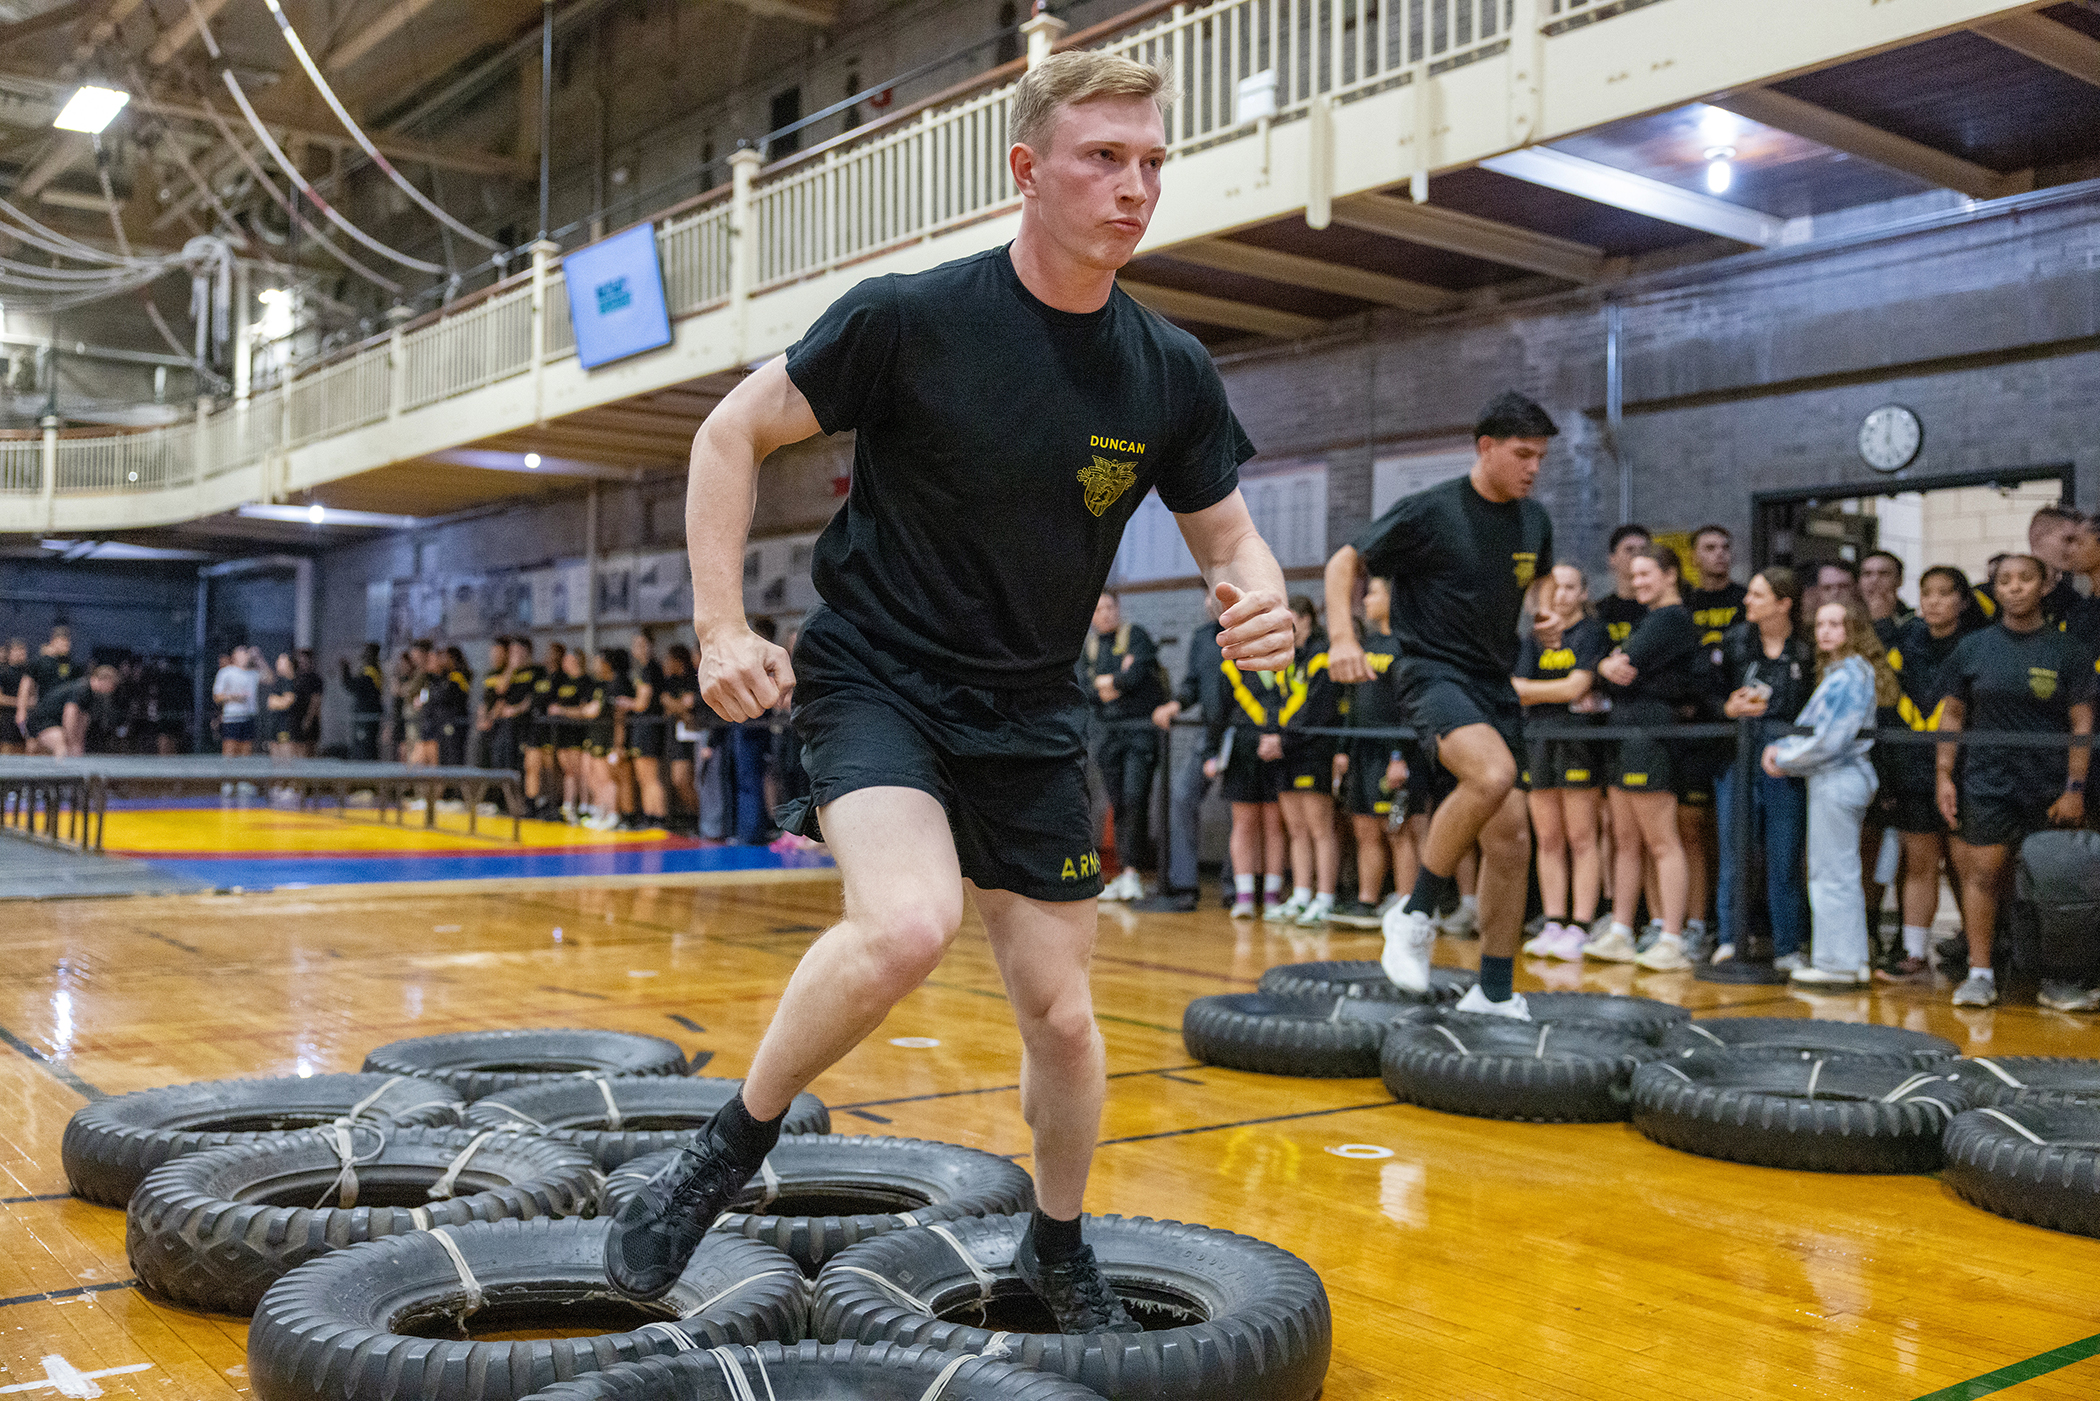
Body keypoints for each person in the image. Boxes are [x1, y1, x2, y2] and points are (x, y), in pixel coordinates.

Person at [605, 49, 1292, 1328]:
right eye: (1104, 159)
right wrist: (715, 627)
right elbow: (727, 434)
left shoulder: (1169, 370)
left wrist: (1267, 595)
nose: (1135, 188)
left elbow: (1231, 539)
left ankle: (1058, 1244)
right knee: (909, 924)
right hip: (881, 677)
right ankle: (718, 1159)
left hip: (1030, 710)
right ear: (1027, 170)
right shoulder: (911, 317)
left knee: (1067, 1021)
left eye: (1152, 163)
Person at [1326, 390, 1556, 1018]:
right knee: (1492, 774)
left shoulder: (1534, 520)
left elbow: (1538, 583)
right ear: (1486, 447)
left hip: (1493, 682)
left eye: (1541, 456)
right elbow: (1346, 561)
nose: (1534, 467)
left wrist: (1548, 617)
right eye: (1522, 454)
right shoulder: (1430, 511)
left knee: (1510, 840)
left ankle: (1496, 992)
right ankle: (1415, 912)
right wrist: (1343, 637)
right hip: (1430, 671)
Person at [1936, 553, 2094, 1009]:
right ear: (1995, 589)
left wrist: (2074, 788)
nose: (2015, 587)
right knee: (1983, 875)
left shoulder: (2068, 650)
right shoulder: (1972, 648)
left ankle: (2059, 980)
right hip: (1987, 782)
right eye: (2005, 580)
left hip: (2048, 788)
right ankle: (1980, 974)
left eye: (2026, 579)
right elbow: (1952, 714)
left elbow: (2082, 724)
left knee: (2055, 885)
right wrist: (1944, 775)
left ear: (2044, 585)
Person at [1765, 599, 1897, 987]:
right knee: (1839, 870)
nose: (1825, 631)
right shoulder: (1844, 672)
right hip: (1836, 778)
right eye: (1821, 623)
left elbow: (1831, 740)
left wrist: (1784, 756)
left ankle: (1836, 962)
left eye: (1836, 624)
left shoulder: (1849, 676)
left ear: (1852, 628)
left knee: (1831, 873)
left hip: (1838, 777)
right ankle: (1849, 958)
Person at [1590, 543, 1701, 972]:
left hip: (1649, 735)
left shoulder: (1671, 619)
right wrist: (1604, 668)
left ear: (1670, 574)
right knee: (1625, 840)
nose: (1636, 583)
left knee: (1662, 840)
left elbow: (1626, 670)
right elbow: (1613, 673)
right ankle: (1621, 930)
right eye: (1633, 576)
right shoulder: (1650, 618)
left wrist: (1606, 670)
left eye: (1645, 575)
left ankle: (1672, 937)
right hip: (1626, 733)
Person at [1877, 565, 1980, 982]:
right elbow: (1886, 704)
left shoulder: (1976, 645)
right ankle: (1913, 952)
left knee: (1966, 867)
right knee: (1920, 862)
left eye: (1945, 593)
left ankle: (1980, 955)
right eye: (1927, 593)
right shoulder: (1905, 641)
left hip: (1964, 772)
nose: (1934, 601)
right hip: (1911, 770)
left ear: (1962, 601)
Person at [1711, 568, 1813, 966]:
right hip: (1738, 755)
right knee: (1734, 850)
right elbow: (1707, 693)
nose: (1746, 601)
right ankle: (1729, 937)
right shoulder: (1734, 642)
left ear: (1783, 604)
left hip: (1787, 760)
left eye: (1757, 595)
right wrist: (1727, 707)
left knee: (1785, 853)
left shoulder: (1805, 649)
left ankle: (1787, 944)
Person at [1515, 564, 1606, 961]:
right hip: (1537, 739)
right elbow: (1514, 690)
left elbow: (1578, 685)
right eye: (1556, 587)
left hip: (1578, 741)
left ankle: (1581, 924)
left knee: (1581, 836)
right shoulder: (1533, 637)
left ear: (1584, 593)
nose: (1563, 594)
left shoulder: (1591, 633)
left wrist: (1544, 691)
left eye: (1571, 587)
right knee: (1548, 837)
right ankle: (1553, 920)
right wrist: (1558, 692)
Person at [1330, 576, 1427, 929]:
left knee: (1396, 830)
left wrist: (1399, 755)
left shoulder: (1407, 645)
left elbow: (1408, 704)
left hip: (1396, 753)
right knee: (1365, 831)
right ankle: (1367, 901)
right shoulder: (1365, 644)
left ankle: (1406, 905)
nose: (1367, 600)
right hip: (1362, 750)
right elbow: (1353, 700)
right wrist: (1343, 748)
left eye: (1373, 593)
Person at [1143, 592, 1224, 913]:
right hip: (1208, 731)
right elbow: (1192, 685)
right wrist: (1175, 704)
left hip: (1242, 729)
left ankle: (1238, 888)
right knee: (1180, 795)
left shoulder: (1247, 631)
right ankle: (1184, 883)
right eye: (1207, 594)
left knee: (1242, 811)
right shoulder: (1203, 638)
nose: (1209, 601)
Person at [1084, 592, 1166, 901]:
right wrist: (1115, 681)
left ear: (1118, 609)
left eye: (1109, 607)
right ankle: (1123, 871)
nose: (1104, 613)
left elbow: (1136, 676)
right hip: (1107, 735)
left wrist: (1109, 682)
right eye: (1098, 609)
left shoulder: (1136, 636)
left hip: (1139, 732)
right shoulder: (1090, 647)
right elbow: (1082, 685)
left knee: (1135, 798)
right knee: (1117, 802)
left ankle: (1134, 872)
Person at [1269, 597, 1340, 927]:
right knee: (1296, 829)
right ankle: (1300, 895)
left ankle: (1325, 898)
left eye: (1292, 620)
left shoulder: (1321, 656)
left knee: (1319, 828)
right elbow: (1275, 700)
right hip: (1286, 753)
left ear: (1308, 619)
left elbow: (1318, 708)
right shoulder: (1286, 659)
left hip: (1313, 750)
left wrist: (1283, 740)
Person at [1213, 633, 1290, 919]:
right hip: (1243, 749)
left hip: (1277, 747)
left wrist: (1280, 738)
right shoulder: (1231, 665)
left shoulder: (1284, 662)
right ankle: (1244, 895)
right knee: (1244, 824)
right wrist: (1213, 752)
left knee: (1274, 825)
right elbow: (1219, 711)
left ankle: (1271, 895)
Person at [624, 630, 670, 830]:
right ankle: (649, 815)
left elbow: (642, 703)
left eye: (643, 644)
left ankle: (658, 816)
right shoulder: (642, 669)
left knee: (650, 775)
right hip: (642, 726)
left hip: (649, 725)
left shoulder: (650, 669)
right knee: (643, 775)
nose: (639, 649)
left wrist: (626, 703)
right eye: (636, 645)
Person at [24, 664, 118, 756]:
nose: (112, 689)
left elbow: (83, 719)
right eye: (112, 684)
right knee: (61, 744)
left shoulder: (92, 694)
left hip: (54, 722)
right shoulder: (82, 688)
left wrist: (79, 743)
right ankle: (63, 770)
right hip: (42, 721)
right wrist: (71, 742)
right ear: (105, 680)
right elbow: (69, 715)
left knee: (75, 748)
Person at [660, 643, 705, 829]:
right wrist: (677, 706)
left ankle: (698, 817)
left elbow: (685, 707)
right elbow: (666, 704)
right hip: (675, 736)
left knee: (688, 779)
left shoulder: (693, 680)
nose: (666, 663)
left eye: (669, 659)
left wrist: (674, 705)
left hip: (692, 736)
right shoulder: (670, 682)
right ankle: (691, 816)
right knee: (678, 780)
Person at [546, 647, 592, 823]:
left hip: (576, 731)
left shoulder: (585, 681)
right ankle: (568, 803)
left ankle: (584, 805)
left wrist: (563, 711)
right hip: (562, 731)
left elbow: (584, 709)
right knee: (568, 770)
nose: (563, 663)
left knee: (579, 770)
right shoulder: (562, 681)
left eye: (567, 659)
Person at [2026, 504, 2084, 625]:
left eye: (2079, 542)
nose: (2074, 548)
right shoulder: (1994, 596)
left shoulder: (2074, 602)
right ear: (2037, 536)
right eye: (2067, 539)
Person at [1598, 525, 1651, 646]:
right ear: (1612, 558)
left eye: (1643, 550)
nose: (1637, 555)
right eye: (1629, 549)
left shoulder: (1658, 608)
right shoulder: (1600, 612)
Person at [214, 645, 261, 758]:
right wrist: (234, 697)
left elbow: (270, 678)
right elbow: (217, 696)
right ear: (235, 656)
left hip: (248, 716)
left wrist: (259, 658)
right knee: (230, 751)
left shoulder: (253, 674)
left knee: (246, 752)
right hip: (232, 717)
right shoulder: (226, 672)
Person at [342, 645, 385, 761]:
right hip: (367, 715)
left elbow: (352, 685)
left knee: (364, 747)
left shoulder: (371, 674)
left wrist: (345, 669)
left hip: (366, 717)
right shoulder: (375, 671)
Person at [1859, 551, 1913, 644]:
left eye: (1883, 573)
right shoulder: (1847, 620)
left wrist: (1883, 622)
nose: (1874, 580)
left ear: (1899, 580)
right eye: (1867, 574)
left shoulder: (1913, 623)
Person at [264, 652, 303, 760]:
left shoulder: (289, 681)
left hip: (286, 724)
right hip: (274, 723)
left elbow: (287, 702)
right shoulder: (277, 681)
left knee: (285, 757)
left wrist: (275, 701)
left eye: (283, 661)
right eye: (278, 661)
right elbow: (271, 702)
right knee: (274, 753)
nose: (279, 664)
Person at [0, 638, 29, 754]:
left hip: (26, 718)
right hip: (7, 717)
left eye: (22, 649)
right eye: (16, 650)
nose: (20, 653)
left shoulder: (28, 672)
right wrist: (21, 702)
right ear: (9, 653)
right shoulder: (3, 672)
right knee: (7, 749)